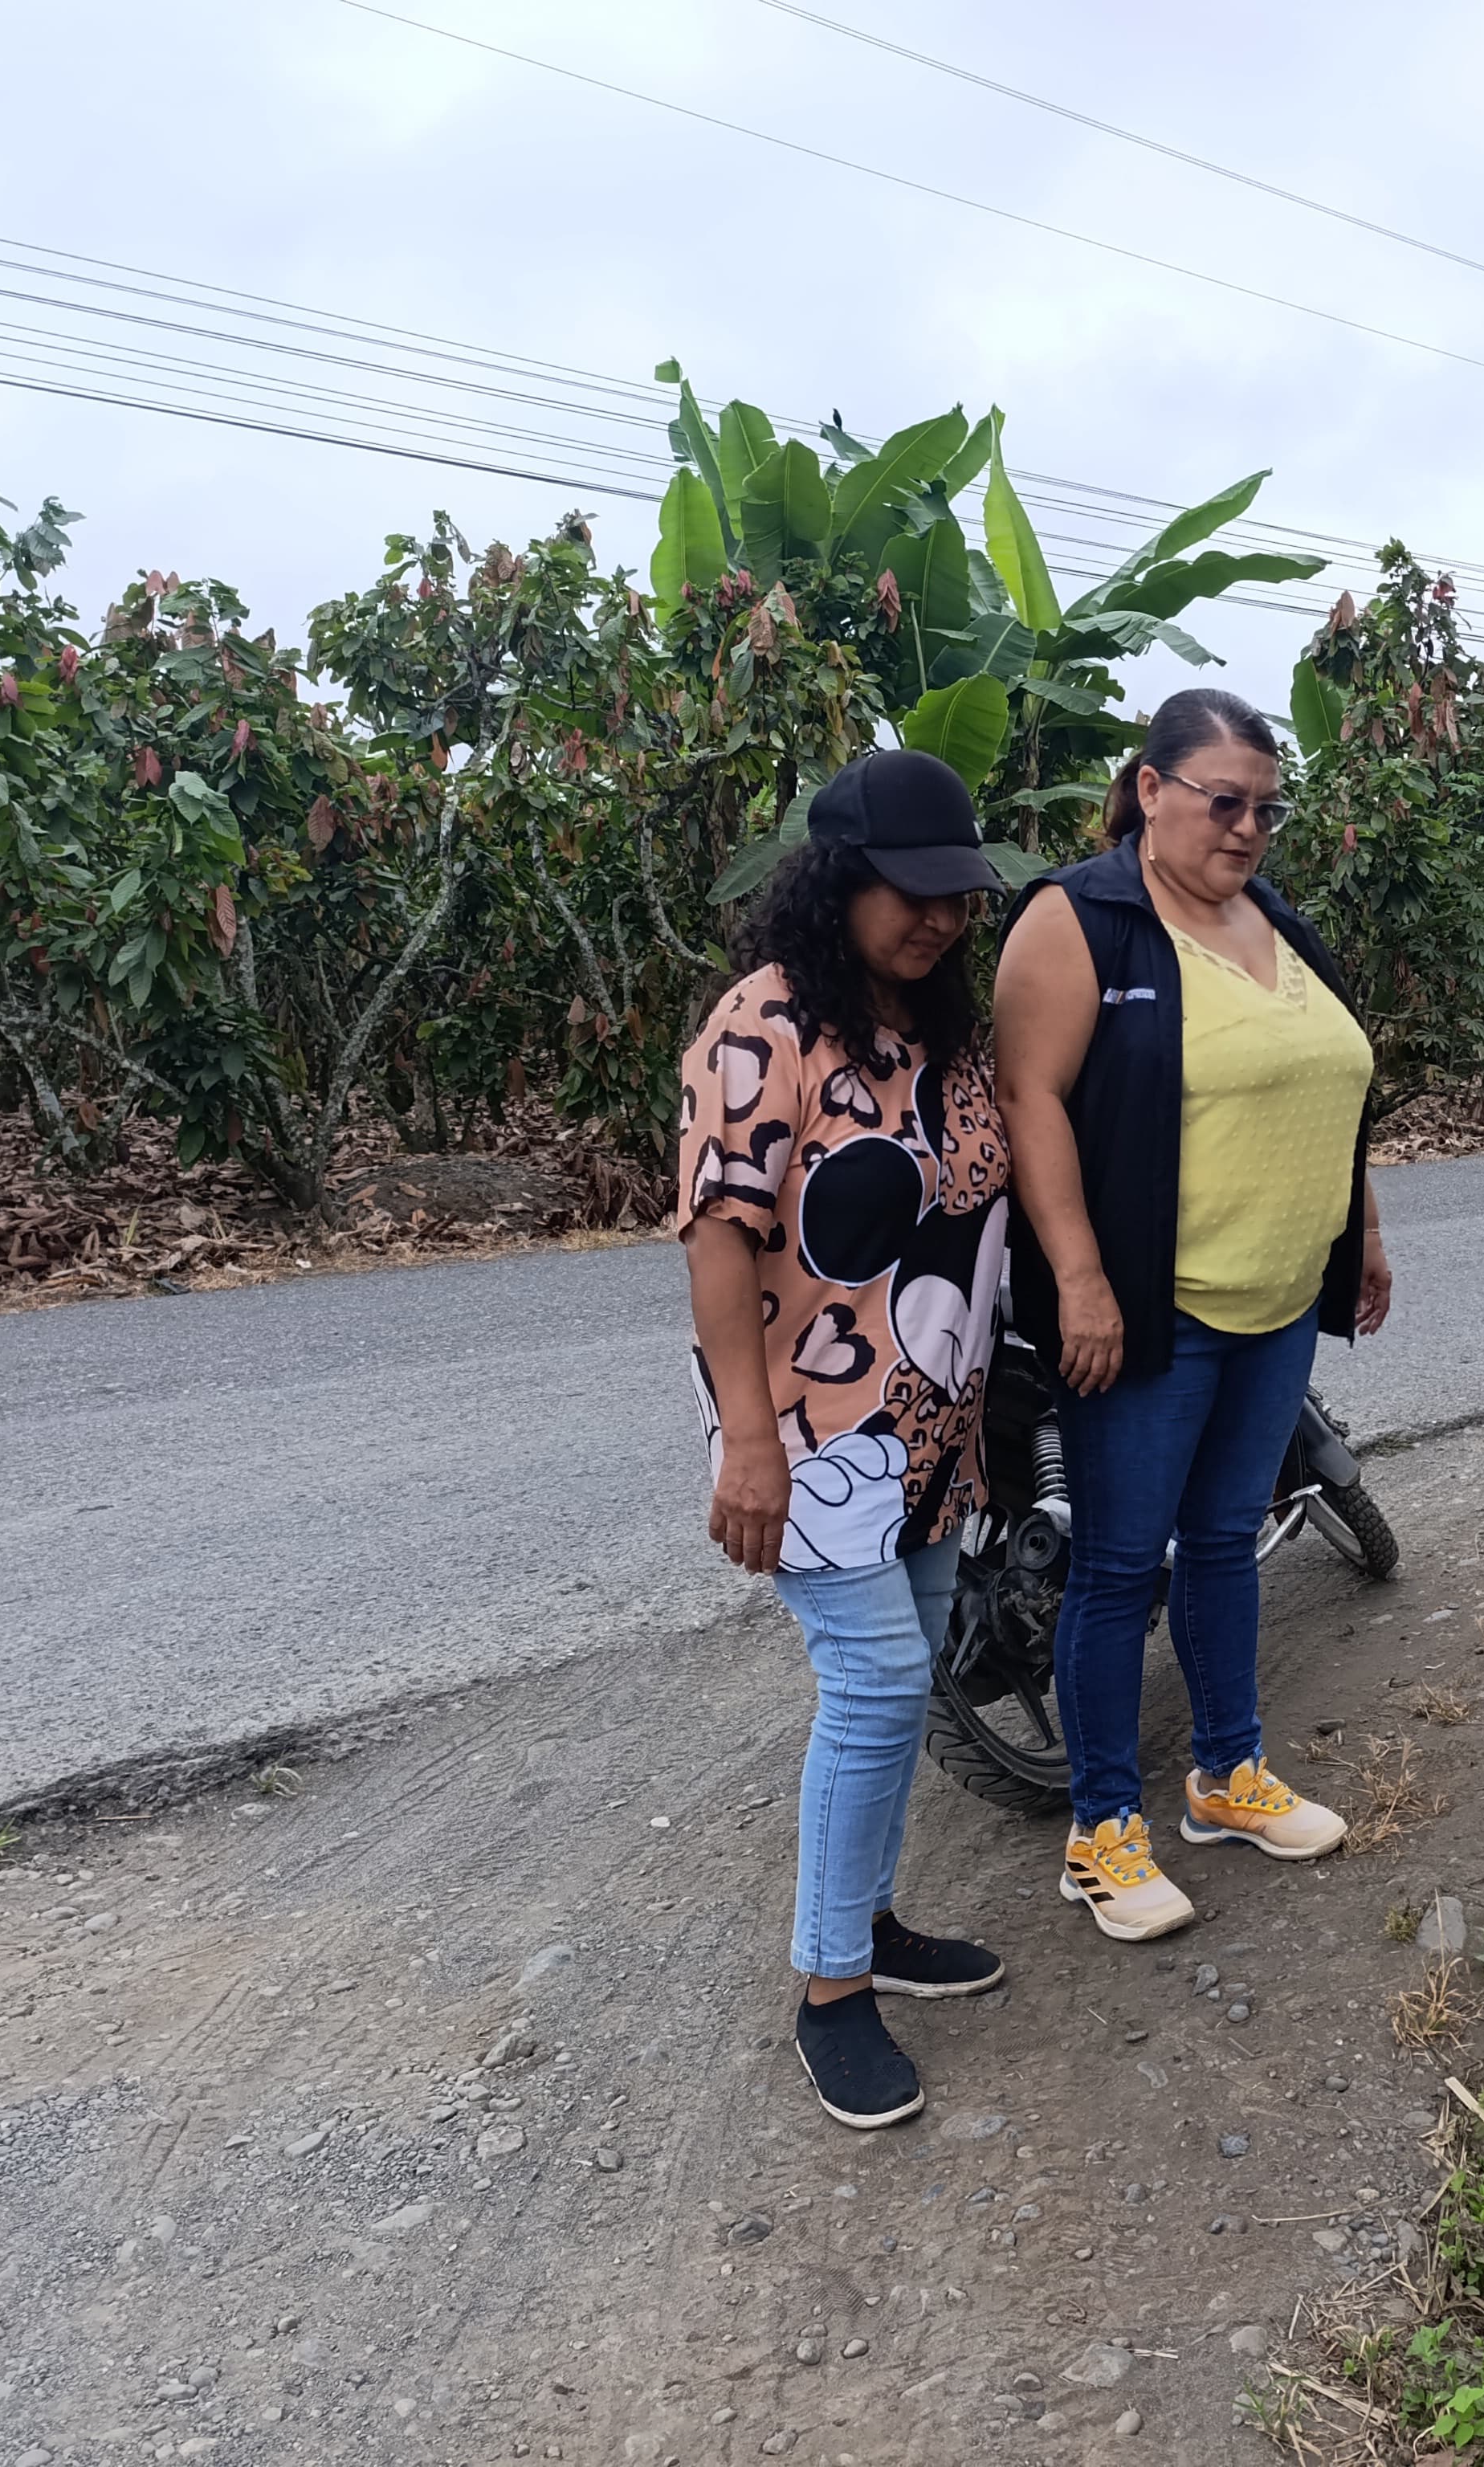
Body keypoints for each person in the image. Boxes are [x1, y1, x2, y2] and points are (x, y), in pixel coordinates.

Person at [993, 687, 1392, 1943]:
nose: (1249, 829)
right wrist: (1080, 1280)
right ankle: (1102, 1833)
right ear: (1152, 789)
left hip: (1278, 1300)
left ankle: (1227, 1775)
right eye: (1226, 802)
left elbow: (1326, 1086)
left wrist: (1362, 1230)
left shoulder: (1275, 918)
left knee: (1224, 1538)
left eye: (1268, 809)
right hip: (1151, 1311)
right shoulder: (1080, 920)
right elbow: (1029, 1099)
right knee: (1121, 1565)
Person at [676, 746, 1016, 2132]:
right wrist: (748, 1443)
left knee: (908, 1674)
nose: (938, 917)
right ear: (836, 880)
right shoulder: (766, 1024)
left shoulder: (939, 1028)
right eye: (908, 891)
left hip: (932, 1420)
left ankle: (869, 1921)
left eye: (957, 895)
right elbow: (720, 1236)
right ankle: (830, 1989)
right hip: (813, 1431)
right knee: (874, 1686)